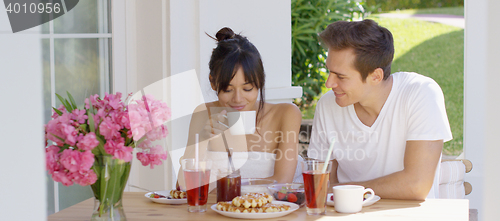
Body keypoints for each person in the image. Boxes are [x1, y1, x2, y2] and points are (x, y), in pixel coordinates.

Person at [307, 19, 452, 200]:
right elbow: (322, 183)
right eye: (329, 71)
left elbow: (417, 185)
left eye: (341, 76)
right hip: (347, 218)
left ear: (375, 76)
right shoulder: (328, 105)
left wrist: (346, 191)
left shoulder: (420, 93)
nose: (329, 83)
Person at [178, 27, 302, 190]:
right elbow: (182, 187)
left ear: (260, 82)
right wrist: (202, 140)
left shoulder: (286, 114)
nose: (237, 99)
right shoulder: (204, 114)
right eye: (228, 90)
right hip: (218, 213)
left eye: (247, 89)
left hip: (274, 211)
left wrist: (226, 190)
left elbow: (282, 183)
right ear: (213, 83)